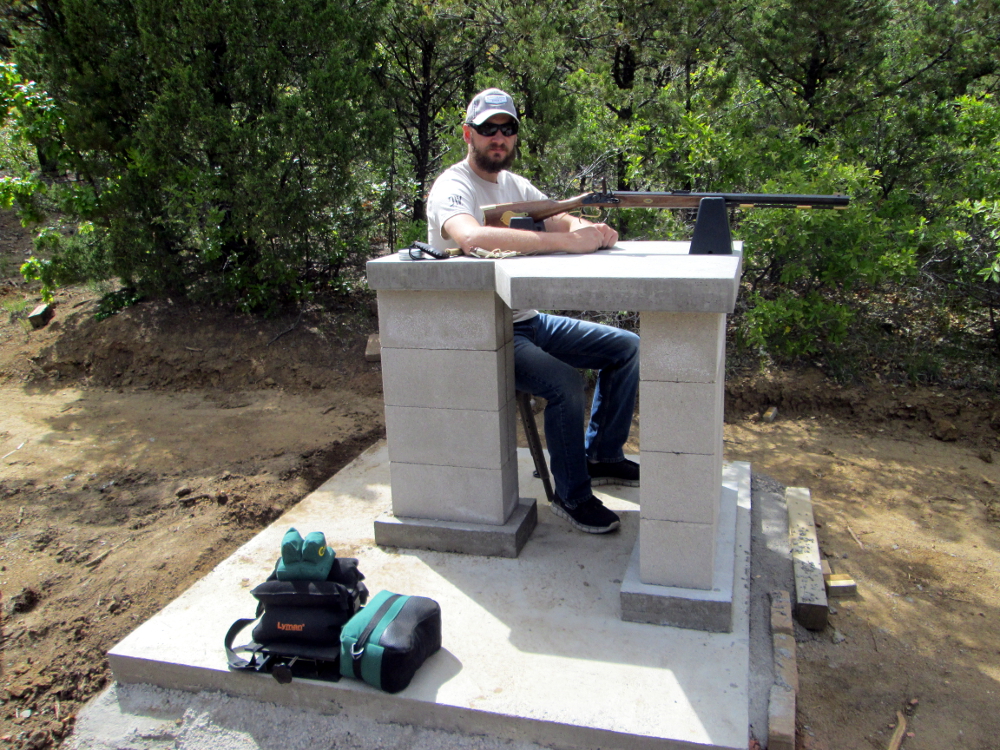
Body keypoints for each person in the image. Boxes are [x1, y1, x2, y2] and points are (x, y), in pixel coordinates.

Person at [425, 88, 640, 535]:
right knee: (564, 383)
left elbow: (558, 217)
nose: (498, 137)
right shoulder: (453, 186)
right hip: (486, 332)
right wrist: (566, 241)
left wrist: (591, 229)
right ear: (469, 134)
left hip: (528, 321)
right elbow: (472, 238)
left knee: (626, 348)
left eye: (507, 129)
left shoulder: (514, 185)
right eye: (488, 130)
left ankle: (602, 454)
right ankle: (571, 495)